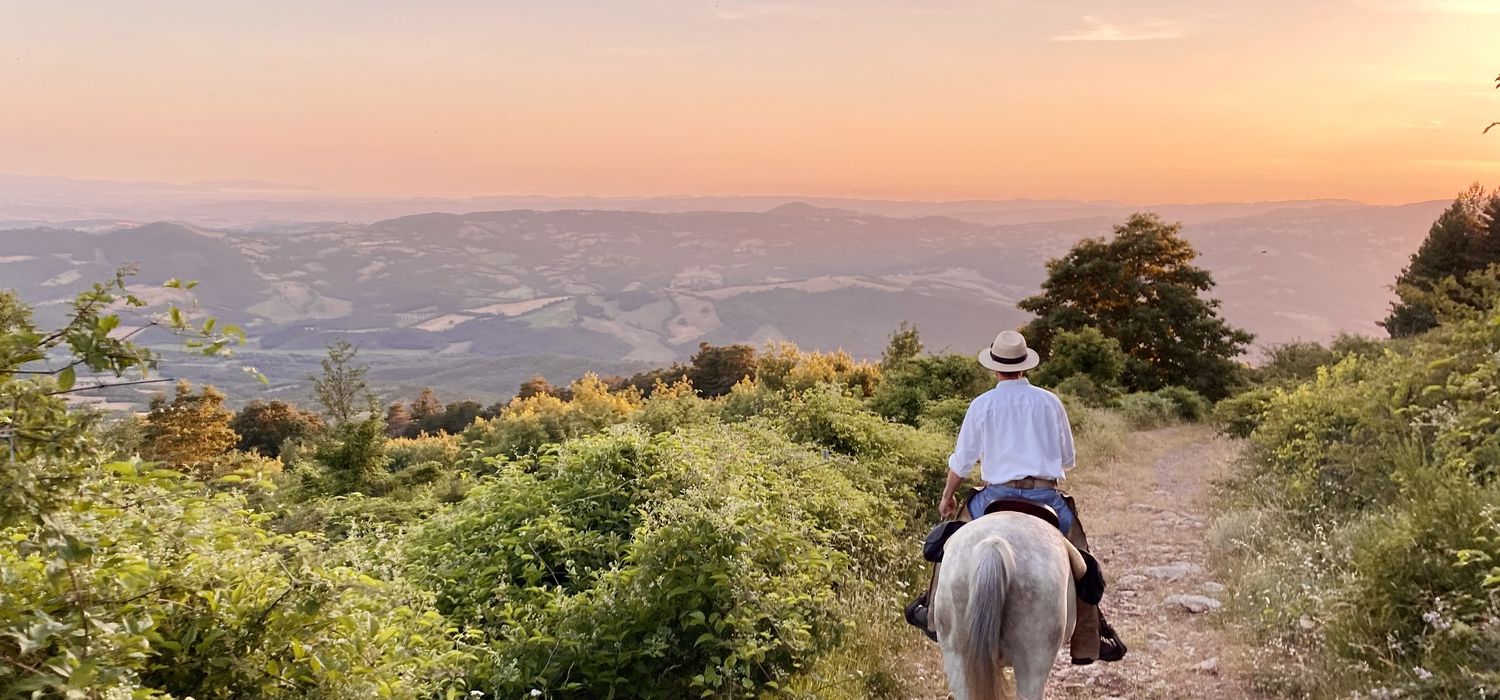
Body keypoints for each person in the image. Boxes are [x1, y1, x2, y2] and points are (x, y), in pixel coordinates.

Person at [906, 329, 1126, 664]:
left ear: (995, 367)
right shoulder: (1050, 401)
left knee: (950, 547)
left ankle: (934, 610)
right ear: (1025, 366)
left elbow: (962, 461)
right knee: (1081, 558)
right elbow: (1068, 460)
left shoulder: (982, 404)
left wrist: (947, 497)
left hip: (994, 496)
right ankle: (1092, 631)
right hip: (1046, 497)